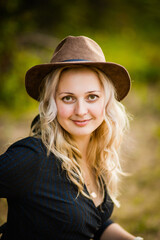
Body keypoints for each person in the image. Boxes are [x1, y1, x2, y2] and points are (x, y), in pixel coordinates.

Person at [0, 35, 144, 240]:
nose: (81, 110)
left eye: (92, 96)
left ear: (106, 101)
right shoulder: (33, 157)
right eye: (68, 98)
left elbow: (94, 222)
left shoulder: (97, 153)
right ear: (51, 103)